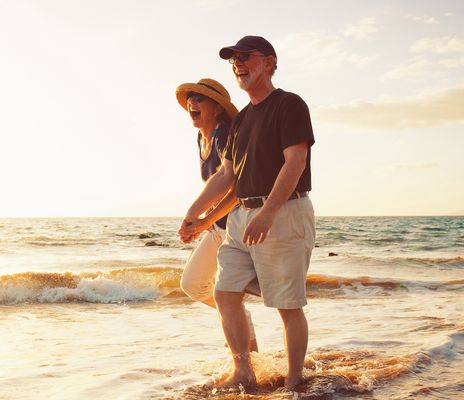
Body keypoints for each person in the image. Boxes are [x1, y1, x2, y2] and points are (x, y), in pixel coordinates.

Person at [179, 36, 316, 390]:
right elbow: (226, 175)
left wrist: (268, 212)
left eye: (245, 57)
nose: (238, 63)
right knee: (225, 294)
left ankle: (295, 379)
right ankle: (243, 370)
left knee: (287, 306)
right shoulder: (240, 122)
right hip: (242, 218)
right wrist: (194, 214)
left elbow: (296, 161)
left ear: (269, 62)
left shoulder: (289, 104)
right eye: (233, 60)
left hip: (284, 212)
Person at [175, 78, 258, 352]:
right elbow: (213, 186)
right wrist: (203, 222)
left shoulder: (226, 134)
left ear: (218, 108)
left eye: (200, 99)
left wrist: (201, 221)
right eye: (190, 100)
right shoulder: (201, 137)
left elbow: (235, 189)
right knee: (193, 284)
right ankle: (238, 316)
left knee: (227, 296)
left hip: (237, 225)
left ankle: (246, 356)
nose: (192, 103)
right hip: (216, 226)